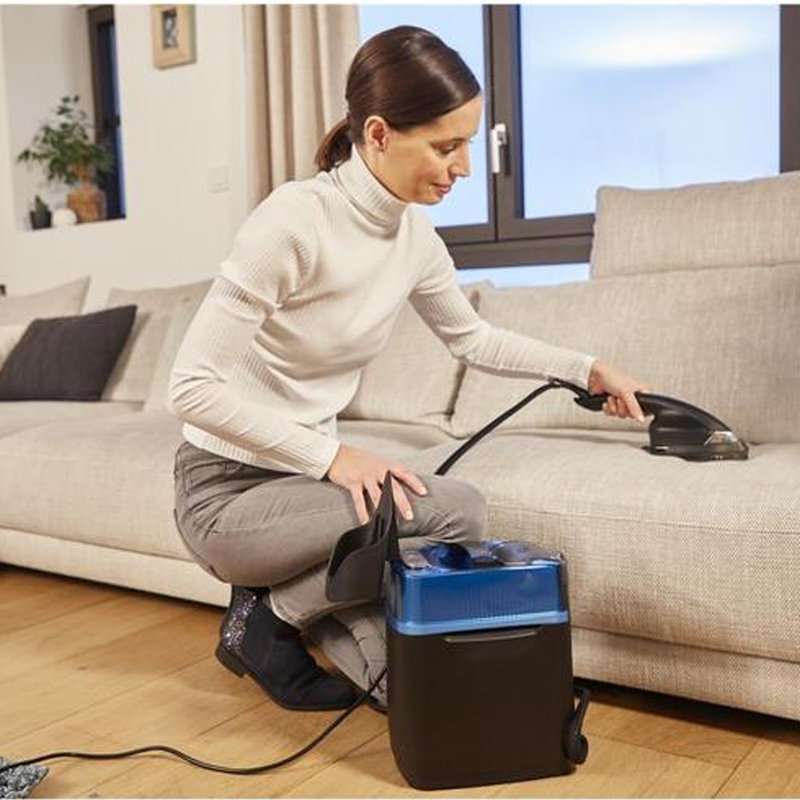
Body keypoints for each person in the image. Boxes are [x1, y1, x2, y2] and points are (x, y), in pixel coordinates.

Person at [167, 25, 651, 713]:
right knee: (457, 510)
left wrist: (587, 369)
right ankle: (270, 616)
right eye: (446, 146)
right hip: (226, 496)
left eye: (468, 145)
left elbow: (474, 339)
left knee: (405, 682)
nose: (463, 167)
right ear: (379, 134)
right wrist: (334, 457)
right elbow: (190, 388)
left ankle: (278, 627)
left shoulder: (414, 237)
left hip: (304, 492)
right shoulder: (294, 222)